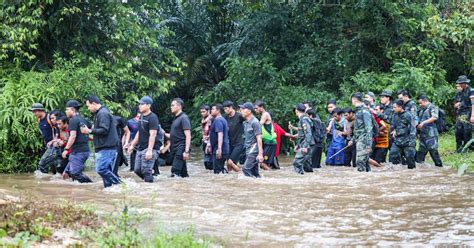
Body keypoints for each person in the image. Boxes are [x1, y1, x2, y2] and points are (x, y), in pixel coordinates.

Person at [81, 95, 120, 188]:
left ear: (93, 103)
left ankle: (121, 185)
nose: (88, 108)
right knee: (106, 172)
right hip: (104, 147)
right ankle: (110, 190)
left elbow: (104, 130)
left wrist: (89, 131)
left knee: (101, 169)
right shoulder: (99, 114)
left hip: (107, 147)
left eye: (88, 106)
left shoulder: (102, 113)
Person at [127, 96, 161, 183]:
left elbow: (153, 135)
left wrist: (149, 151)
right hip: (140, 148)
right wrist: (132, 145)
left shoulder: (153, 117)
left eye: (142, 104)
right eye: (139, 104)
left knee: (146, 171)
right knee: (137, 170)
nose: (140, 106)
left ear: (148, 105)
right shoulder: (142, 116)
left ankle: (149, 187)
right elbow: (139, 132)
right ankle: (150, 183)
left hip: (150, 148)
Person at [62, 100, 93, 183]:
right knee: (66, 174)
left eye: (67, 109)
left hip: (79, 152)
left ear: (72, 110)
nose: (66, 111)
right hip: (82, 151)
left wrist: (66, 149)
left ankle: (91, 185)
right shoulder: (84, 120)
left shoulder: (73, 120)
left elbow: (73, 136)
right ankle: (75, 192)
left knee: (75, 173)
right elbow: (91, 130)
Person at [30, 103, 59, 173]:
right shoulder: (39, 120)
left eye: (35, 111)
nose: (34, 114)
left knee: (42, 164)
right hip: (48, 146)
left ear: (41, 110)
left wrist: (54, 141)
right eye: (33, 112)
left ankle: (42, 180)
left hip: (54, 145)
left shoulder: (49, 118)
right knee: (55, 168)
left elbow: (58, 130)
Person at [416, 95, 443, 167]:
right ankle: (420, 169)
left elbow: (435, 117)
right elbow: (418, 120)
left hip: (431, 135)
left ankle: (439, 166)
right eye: (419, 103)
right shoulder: (421, 110)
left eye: (421, 103)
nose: (420, 105)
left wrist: (424, 122)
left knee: (433, 151)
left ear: (425, 101)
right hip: (423, 135)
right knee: (420, 153)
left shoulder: (432, 107)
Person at [390, 100, 417, 169]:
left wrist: (412, 143)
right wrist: (393, 130)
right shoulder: (394, 115)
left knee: (410, 161)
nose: (393, 109)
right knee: (393, 155)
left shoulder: (408, 115)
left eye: (395, 107)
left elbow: (413, 129)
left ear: (400, 107)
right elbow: (393, 125)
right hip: (397, 141)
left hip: (407, 141)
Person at [349, 93, 373, 172]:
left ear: (354, 99)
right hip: (359, 139)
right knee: (364, 163)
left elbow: (369, 128)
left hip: (364, 140)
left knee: (360, 162)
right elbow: (358, 129)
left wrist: (369, 144)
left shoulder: (364, 111)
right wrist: (352, 139)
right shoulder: (358, 111)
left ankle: (361, 181)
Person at [239, 102, 264, 178]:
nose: (241, 111)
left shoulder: (255, 122)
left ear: (249, 111)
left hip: (254, 149)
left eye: (243, 109)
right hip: (248, 149)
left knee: (245, 169)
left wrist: (260, 154)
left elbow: (259, 138)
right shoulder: (245, 123)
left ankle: (248, 186)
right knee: (254, 172)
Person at [169, 98, 192, 178]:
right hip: (175, 148)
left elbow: (188, 136)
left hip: (181, 148)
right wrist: (163, 133)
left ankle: (175, 189)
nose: (171, 107)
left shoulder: (184, 118)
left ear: (179, 106)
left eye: (172, 105)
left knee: (175, 171)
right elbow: (174, 135)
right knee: (183, 173)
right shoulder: (176, 119)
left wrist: (186, 151)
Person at [292, 104, 315, 174]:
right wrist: (298, 145)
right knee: (306, 165)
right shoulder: (304, 119)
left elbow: (308, 133)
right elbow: (302, 135)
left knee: (297, 162)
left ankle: (299, 180)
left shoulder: (304, 119)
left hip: (306, 145)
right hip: (306, 144)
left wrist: (305, 146)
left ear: (296, 110)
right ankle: (309, 181)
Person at [223, 100, 244, 172]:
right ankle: (232, 179)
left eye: (226, 109)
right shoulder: (225, 117)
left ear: (231, 107)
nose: (225, 111)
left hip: (239, 143)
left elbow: (249, 120)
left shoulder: (239, 116)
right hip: (229, 144)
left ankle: (242, 175)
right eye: (224, 109)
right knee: (228, 165)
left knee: (230, 162)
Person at [454, 75, 474, 152]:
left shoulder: (471, 91)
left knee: (467, 130)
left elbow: (473, 104)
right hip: (460, 112)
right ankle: (459, 148)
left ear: (465, 83)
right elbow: (457, 103)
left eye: (461, 83)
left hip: (469, 111)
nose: (460, 85)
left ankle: (468, 148)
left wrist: (472, 115)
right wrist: (457, 105)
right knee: (458, 131)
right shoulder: (460, 92)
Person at [254, 100, 276, 170]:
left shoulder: (265, 114)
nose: (255, 110)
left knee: (262, 163)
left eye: (256, 108)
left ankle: (271, 178)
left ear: (261, 107)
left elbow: (259, 125)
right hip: (267, 141)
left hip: (270, 142)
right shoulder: (263, 115)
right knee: (262, 163)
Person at [209, 104, 230, 174]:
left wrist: (219, 149)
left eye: (212, 109)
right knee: (221, 170)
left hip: (220, 149)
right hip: (223, 148)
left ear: (218, 110)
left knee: (217, 171)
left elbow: (220, 134)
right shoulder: (223, 120)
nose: (211, 111)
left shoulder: (218, 120)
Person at [200, 105, 213, 170]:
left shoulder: (211, 119)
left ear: (208, 111)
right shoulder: (203, 120)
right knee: (206, 162)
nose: (202, 113)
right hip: (205, 141)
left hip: (210, 142)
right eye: (201, 112)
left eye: (203, 112)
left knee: (209, 162)